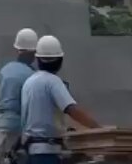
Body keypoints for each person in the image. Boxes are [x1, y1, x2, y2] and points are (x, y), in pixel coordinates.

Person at [20, 35, 102, 163]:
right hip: (47, 152)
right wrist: (98, 129)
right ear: (60, 60)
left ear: (37, 59)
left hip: (31, 150)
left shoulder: (29, 82)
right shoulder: (53, 81)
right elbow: (71, 109)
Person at [0, 28, 38, 163]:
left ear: (17, 50)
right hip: (19, 128)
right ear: (34, 53)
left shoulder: (4, 70)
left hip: (0, 126)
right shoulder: (32, 76)